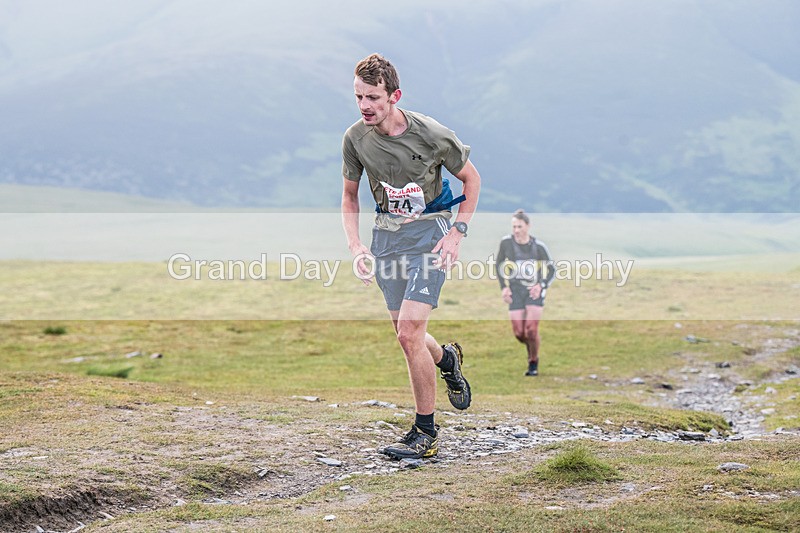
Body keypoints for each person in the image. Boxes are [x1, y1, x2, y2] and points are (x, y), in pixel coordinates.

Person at [341, 53, 481, 460]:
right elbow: (350, 197)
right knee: (409, 336)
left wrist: (458, 232)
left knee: (408, 333)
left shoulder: (431, 134)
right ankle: (448, 359)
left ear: (394, 96)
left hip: (430, 236)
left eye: (373, 97)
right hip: (387, 238)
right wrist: (356, 245)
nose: (365, 105)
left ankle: (425, 433)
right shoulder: (355, 138)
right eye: (359, 97)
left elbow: (472, 179)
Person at [496, 209, 554, 376]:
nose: (516, 230)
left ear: (528, 226)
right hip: (515, 290)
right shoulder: (506, 243)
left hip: (534, 291)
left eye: (519, 226)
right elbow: (499, 265)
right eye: (514, 227)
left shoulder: (538, 246)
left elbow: (551, 270)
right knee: (520, 333)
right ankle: (531, 345)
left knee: (531, 329)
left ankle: (533, 362)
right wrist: (504, 287)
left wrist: (541, 285)